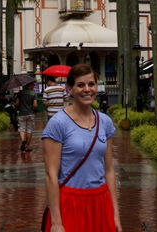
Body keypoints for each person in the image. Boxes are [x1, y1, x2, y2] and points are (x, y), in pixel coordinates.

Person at [41, 64, 122, 232]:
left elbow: (109, 170)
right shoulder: (57, 124)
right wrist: (56, 222)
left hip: (101, 203)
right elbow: (51, 175)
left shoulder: (105, 122)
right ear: (70, 89)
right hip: (70, 203)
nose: (87, 89)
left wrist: (115, 214)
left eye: (91, 84)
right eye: (80, 85)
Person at [15, 79, 38, 152]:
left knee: (21, 129)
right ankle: (27, 146)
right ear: (30, 85)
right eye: (33, 84)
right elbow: (35, 105)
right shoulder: (33, 94)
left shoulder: (20, 93)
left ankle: (23, 141)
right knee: (29, 130)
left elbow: (17, 103)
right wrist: (32, 108)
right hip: (30, 113)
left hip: (21, 113)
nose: (34, 86)